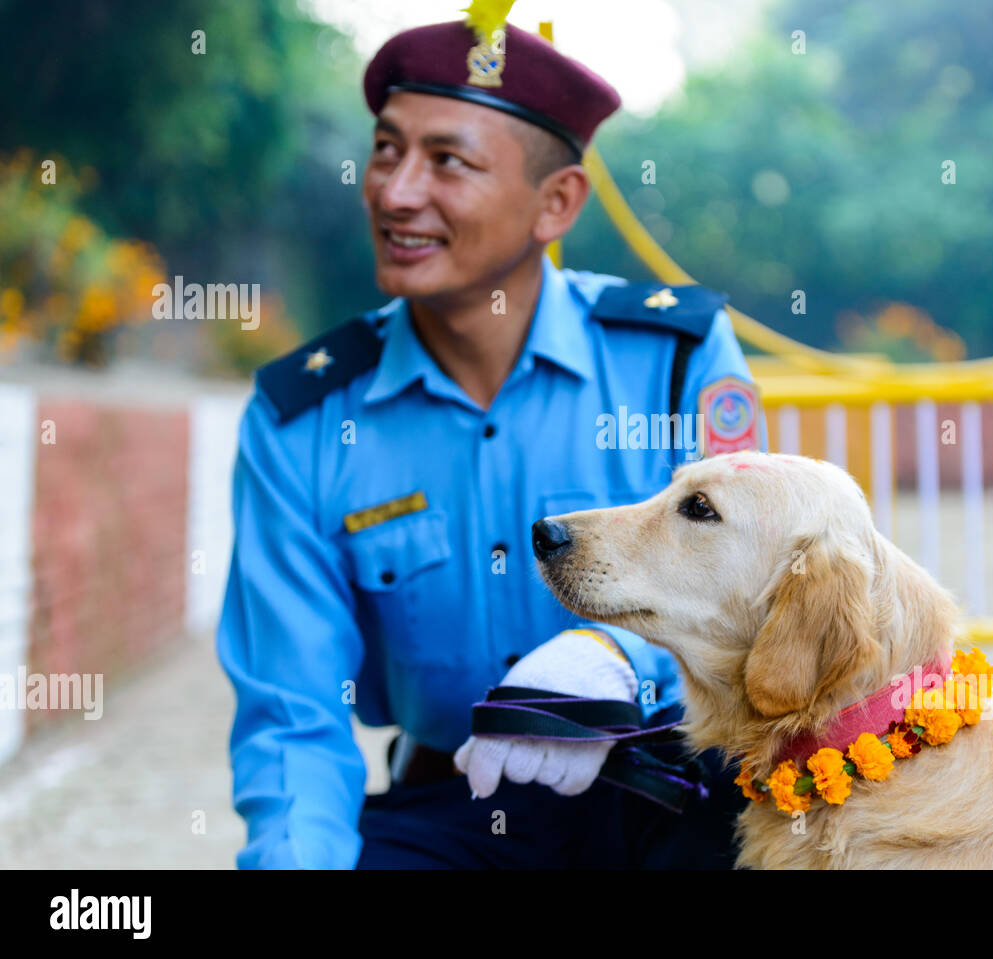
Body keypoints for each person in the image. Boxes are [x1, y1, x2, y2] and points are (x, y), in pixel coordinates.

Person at [215, 6, 767, 869]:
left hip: (670, 791)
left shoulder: (674, 358)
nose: (396, 192)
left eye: (448, 162)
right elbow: (294, 718)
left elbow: (750, 595)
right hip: (454, 809)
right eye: (388, 149)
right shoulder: (307, 419)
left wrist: (610, 653)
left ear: (556, 202)